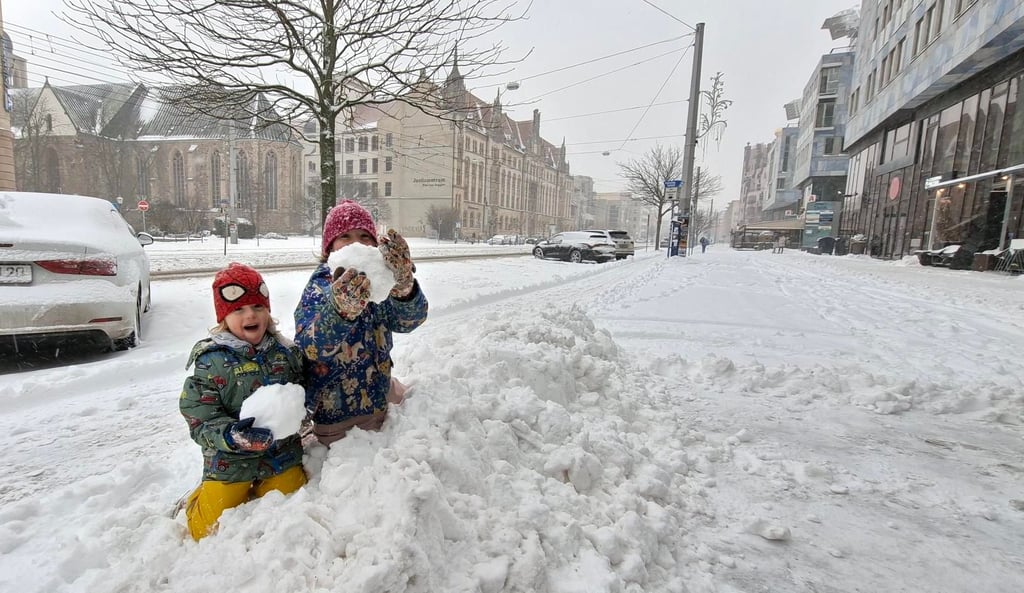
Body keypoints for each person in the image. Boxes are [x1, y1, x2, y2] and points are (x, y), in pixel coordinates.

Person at [179, 262, 307, 541]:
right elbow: (200, 419)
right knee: (206, 531)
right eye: (239, 309)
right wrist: (231, 436)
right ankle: (192, 504)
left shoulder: (286, 353)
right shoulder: (211, 362)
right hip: (230, 463)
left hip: (279, 457)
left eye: (258, 307)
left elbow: (305, 389)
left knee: (292, 505)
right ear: (224, 318)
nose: (250, 315)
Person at [295, 200, 428, 446]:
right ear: (330, 248)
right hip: (337, 412)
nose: (356, 242)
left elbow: (409, 321)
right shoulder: (320, 286)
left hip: (379, 392)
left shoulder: (382, 282)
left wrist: (403, 285)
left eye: (364, 236)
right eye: (345, 236)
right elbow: (309, 346)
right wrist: (340, 310)